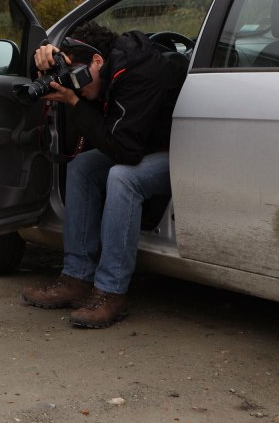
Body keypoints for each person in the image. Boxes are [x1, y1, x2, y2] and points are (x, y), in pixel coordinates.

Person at [20, 22, 187, 328]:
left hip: (179, 155)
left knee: (123, 177)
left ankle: (111, 292)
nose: (76, 86)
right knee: (82, 167)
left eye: (78, 77)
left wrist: (74, 103)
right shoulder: (109, 69)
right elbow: (118, 138)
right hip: (143, 146)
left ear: (98, 61)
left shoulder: (138, 73)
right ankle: (76, 278)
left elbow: (125, 151)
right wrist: (42, 60)